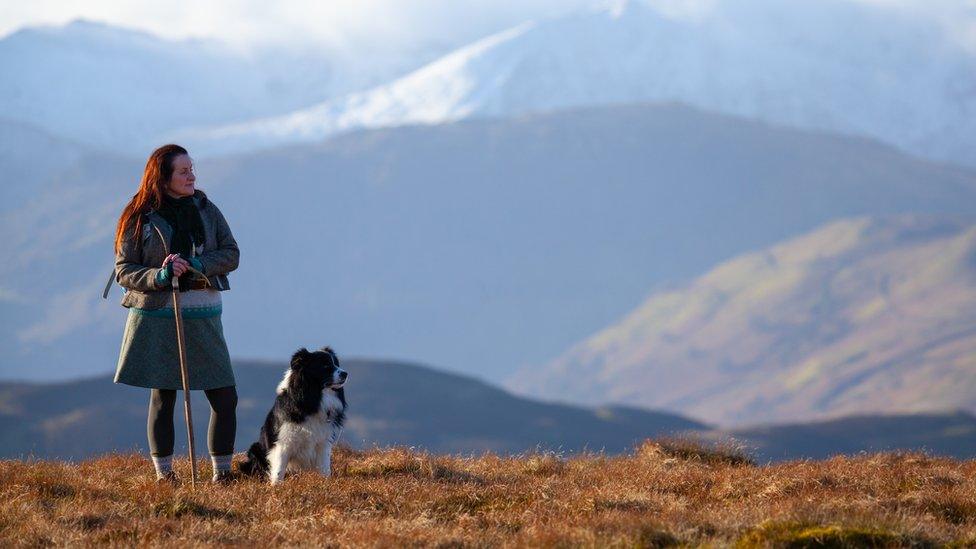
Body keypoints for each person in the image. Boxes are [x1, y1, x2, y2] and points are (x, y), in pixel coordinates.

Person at [111, 144, 240, 484]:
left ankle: (222, 475)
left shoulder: (206, 209)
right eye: (183, 171)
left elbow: (231, 253)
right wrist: (161, 275)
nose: (191, 176)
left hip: (203, 312)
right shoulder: (138, 217)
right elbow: (125, 270)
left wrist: (197, 265)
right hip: (157, 314)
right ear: (162, 177)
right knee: (163, 397)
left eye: (191, 169)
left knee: (225, 396)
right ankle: (164, 476)